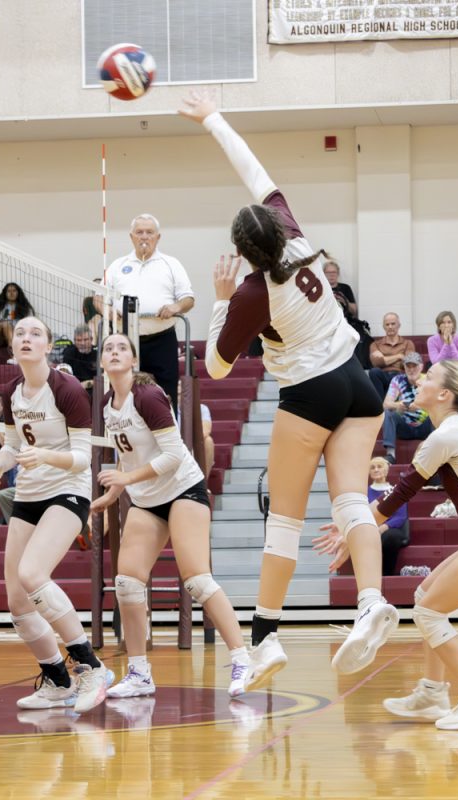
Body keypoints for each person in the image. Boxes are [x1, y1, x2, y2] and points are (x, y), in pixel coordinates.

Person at [183, 90, 398, 688]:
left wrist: (221, 304)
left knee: (284, 519)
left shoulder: (253, 294)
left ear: (243, 252)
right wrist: (214, 119)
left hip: (309, 394)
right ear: (276, 228)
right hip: (360, 384)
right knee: (352, 499)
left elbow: (218, 368)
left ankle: (265, 639)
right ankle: (371, 600)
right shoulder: (300, 241)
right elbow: (257, 173)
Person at [330, 360, 458, 729]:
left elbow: (399, 495)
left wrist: (352, 532)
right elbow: (396, 498)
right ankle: (432, 693)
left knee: (429, 611)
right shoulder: (455, 430)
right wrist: (352, 529)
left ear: (444, 394)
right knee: (425, 596)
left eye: (427, 377)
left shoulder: (447, 436)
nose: (419, 380)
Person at [91, 333, 251, 698]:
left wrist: (126, 480)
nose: (114, 352)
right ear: (101, 363)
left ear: (133, 361)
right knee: (127, 583)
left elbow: (175, 455)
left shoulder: (147, 396)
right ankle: (139, 673)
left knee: (196, 580)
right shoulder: (106, 404)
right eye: (108, 349)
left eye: (121, 348)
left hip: (183, 490)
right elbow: (127, 456)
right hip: (146, 499)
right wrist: (113, 493)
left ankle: (243, 658)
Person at [0, 315, 113, 713]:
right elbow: (10, 442)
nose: (26, 338)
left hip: (67, 492)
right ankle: (57, 679)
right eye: (20, 333)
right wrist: (0, 465)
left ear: (46, 347)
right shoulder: (11, 392)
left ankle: (90, 667)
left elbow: (80, 458)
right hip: (28, 495)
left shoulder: (66, 388)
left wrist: (44, 456)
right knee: (17, 601)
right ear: (14, 347)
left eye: (35, 334)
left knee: (33, 574)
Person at [105, 213, 195, 407]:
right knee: (125, 393)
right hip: (126, 341)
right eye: (139, 232)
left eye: (149, 232)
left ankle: (167, 435)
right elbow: (98, 299)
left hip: (162, 339)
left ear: (158, 237)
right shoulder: (117, 266)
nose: (144, 236)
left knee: (166, 394)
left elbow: (188, 299)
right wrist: (109, 311)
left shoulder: (171, 264)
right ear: (131, 237)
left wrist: (175, 306)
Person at [381, 353, 433, 464]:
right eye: (408, 366)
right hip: (404, 425)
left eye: (414, 366)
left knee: (436, 414)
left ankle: (435, 452)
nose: (411, 369)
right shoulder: (397, 380)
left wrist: (419, 405)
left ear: (421, 366)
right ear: (404, 367)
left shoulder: (428, 380)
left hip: (425, 425)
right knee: (388, 413)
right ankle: (390, 455)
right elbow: (386, 404)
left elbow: (437, 403)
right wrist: (398, 405)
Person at [366, 457, 408, 576]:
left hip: (391, 529)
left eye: (379, 467)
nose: (376, 470)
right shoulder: (364, 492)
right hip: (370, 527)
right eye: (372, 467)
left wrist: (384, 526)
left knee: (391, 537)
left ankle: (386, 573)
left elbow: (401, 516)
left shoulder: (396, 491)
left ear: (386, 470)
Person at [368, 312, 416, 397]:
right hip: (383, 375)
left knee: (403, 376)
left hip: (400, 374)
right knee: (374, 371)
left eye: (393, 324)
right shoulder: (375, 344)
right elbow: (376, 363)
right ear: (384, 327)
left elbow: (408, 363)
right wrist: (399, 356)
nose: (390, 327)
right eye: (387, 324)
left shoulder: (408, 343)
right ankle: (380, 407)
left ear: (399, 325)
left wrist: (384, 359)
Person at [60, 324, 99, 391]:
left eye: (85, 339)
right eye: (79, 340)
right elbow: (63, 376)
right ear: (74, 341)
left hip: (95, 390)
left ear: (91, 339)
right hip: (74, 389)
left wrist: (87, 384)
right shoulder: (69, 352)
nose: (82, 343)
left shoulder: (98, 353)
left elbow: (105, 378)